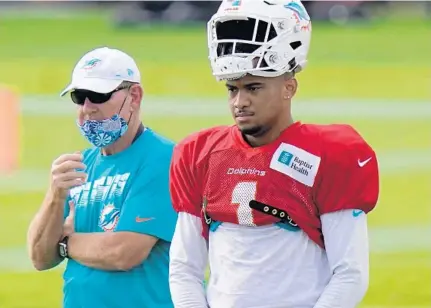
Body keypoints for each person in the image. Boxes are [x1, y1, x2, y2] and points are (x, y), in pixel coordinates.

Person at [168, 1, 379, 307]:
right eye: (232, 89)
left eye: (253, 88)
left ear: (289, 87)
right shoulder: (200, 154)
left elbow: (350, 273)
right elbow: (184, 268)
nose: (240, 102)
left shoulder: (330, 154)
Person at [27, 46, 177, 308]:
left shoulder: (164, 159)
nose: (87, 108)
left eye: (98, 95)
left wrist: (65, 243)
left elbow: (124, 252)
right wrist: (55, 195)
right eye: (79, 96)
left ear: (134, 96)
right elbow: (40, 257)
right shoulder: (78, 166)